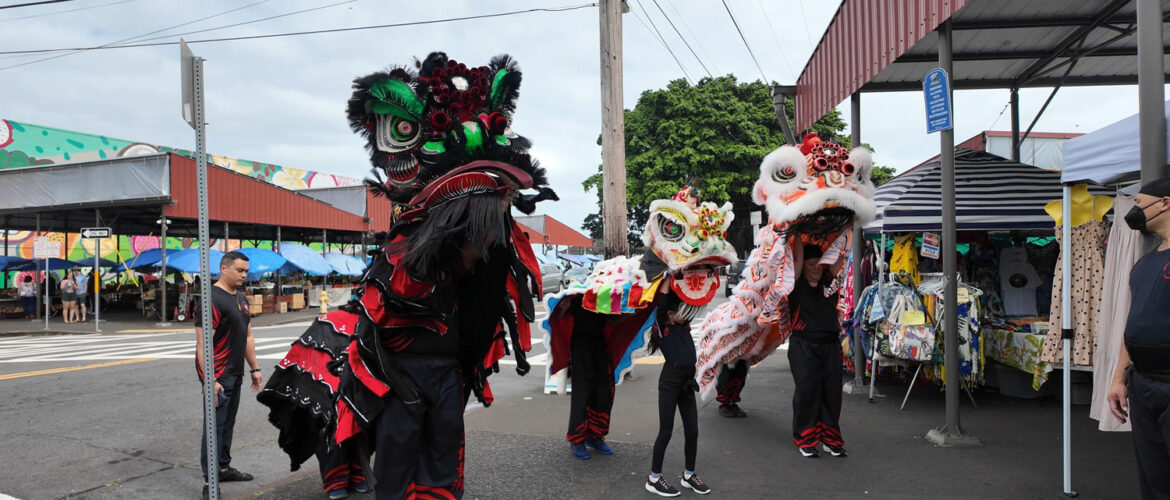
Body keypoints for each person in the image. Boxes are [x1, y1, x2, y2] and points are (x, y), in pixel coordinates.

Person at [1107, 177, 1170, 499]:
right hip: (1142, 383)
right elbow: (1133, 325)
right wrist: (1120, 378)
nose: (1134, 211)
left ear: (1165, 203)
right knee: (1153, 475)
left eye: (1139, 202)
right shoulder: (1145, 263)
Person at [194, 251, 263, 496]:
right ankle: (209, 482)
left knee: (227, 425)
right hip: (219, 376)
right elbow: (203, 344)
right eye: (239, 270)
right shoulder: (211, 298)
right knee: (214, 427)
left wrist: (254, 368)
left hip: (236, 372)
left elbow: (248, 335)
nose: (244, 274)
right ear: (224, 269)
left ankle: (222, 468)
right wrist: (209, 379)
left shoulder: (241, 298)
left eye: (246, 270)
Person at [645, 292, 710, 497]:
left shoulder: (684, 326)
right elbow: (663, 300)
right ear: (671, 314)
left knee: (692, 431)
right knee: (666, 431)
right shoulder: (663, 328)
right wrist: (667, 274)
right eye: (682, 312)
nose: (688, 316)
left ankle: (688, 475)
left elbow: (696, 298)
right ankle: (654, 478)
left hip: (687, 385)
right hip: (669, 385)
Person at [789, 244, 848, 459]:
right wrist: (796, 232)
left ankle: (830, 440)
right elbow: (796, 264)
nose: (816, 268)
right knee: (807, 392)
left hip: (830, 345)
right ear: (802, 266)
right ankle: (805, 439)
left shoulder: (830, 281)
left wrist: (847, 225)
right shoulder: (795, 284)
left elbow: (842, 254)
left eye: (819, 264)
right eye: (811, 264)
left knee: (832, 393)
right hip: (803, 346)